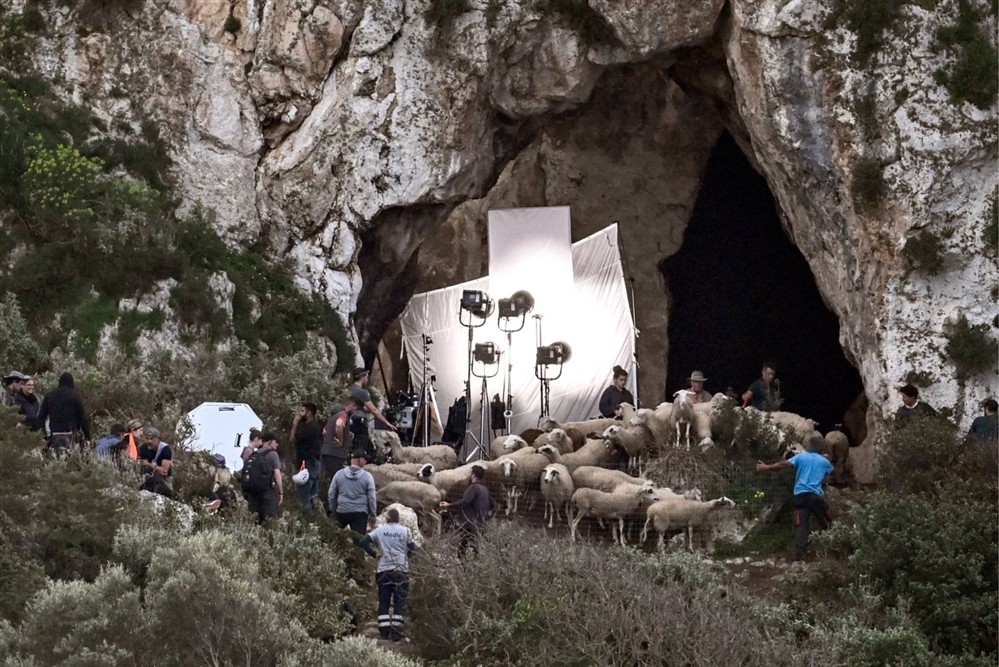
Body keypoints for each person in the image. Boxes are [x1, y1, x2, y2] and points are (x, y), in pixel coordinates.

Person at [756, 434, 833, 562]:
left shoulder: (800, 457)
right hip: (815, 497)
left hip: (800, 497)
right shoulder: (825, 462)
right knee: (827, 520)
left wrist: (766, 467)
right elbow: (827, 478)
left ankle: (800, 556)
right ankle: (834, 548)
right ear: (820, 448)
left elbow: (782, 465)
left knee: (801, 526)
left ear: (809, 445)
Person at [358, 507, 416, 642]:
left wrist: (374, 554)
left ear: (387, 518)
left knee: (384, 601)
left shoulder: (380, 530)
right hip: (401, 570)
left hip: (384, 569)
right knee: (399, 601)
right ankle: (396, 633)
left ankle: (384, 632)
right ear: (398, 519)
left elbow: (363, 542)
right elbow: (413, 548)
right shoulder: (405, 531)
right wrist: (406, 556)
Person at [439, 464, 492, 555]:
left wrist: (449, 505)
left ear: (473, 475)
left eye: (470, 473)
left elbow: (466, 501)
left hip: (470, 524)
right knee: (471, 548)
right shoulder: (485, 490)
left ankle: (469, 567)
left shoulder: (473, 488)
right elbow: (491, 506)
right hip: (480, 523)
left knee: (463, 552)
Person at [35, 372, 91, 455]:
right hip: (72, 435)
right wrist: (87, 436)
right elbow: (83, 418)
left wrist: (44, 436)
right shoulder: (75, 396)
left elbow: (41, 417)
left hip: (55, 434)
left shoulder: (49, 396)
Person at [328, 448, 377, 534]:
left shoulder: (339, 474)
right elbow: (372, 497)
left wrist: (333, 509)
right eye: (365, 459)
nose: (366, 462)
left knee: (335, 537)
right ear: (360, 460)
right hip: (360, 514)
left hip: (342, 511)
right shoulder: (368, 477)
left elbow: (331, 493)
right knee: (358, 542)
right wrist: (373, 515)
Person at [243, 432, 283, 524]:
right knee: (269, 521)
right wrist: (281, 492)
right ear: (269, 442)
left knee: (255, 521)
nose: (277, 444)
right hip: (267, 492)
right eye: (275, 442)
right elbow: (277, 474)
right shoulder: (273, 454)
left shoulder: (254, 454)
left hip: (253, 492)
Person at [322, 396, 358, 495]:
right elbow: (339, 424)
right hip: (336, 454)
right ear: (350, 405)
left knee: (331, 480)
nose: (355, 410)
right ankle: (333, 507)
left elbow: (325, 431)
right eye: (354, 407)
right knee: (337, 482)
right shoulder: (343, 414)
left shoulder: (333, 415)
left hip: (327, 452)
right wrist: (341, 440)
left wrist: (347, 434)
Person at [291, 402, 323, 514]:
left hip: (308, 463)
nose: (300, 414)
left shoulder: (310, 427)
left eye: (302, 411)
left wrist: (295, 424)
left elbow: (293, 439)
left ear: (309, 413)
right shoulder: (313, 426)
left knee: (304, 495)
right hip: (313, 462)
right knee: (311, 495)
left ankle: (307, 520)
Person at [138, 427, 175, 498]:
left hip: (164, 478)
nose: (149, 441)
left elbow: (164, 471)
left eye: (152, 439)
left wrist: (149, 464)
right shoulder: (144, 448)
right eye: (147, 438)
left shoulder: (165, 449)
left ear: (158, 439)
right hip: (149, 477)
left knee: (169, 495)